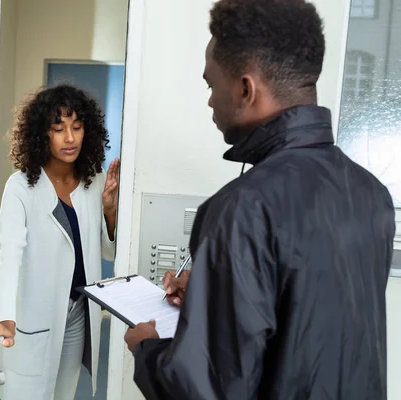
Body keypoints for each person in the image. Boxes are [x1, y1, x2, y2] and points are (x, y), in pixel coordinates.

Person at [124, 0, 396, 399]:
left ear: (246, 90)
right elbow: (310, 324)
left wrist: (147, 347)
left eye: (211, 85)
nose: (211, 101)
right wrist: (212, 299)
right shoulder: (372, 193)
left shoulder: (240, 210)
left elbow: (203, 391)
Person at [0, 84, 119, 399]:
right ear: (41, 134)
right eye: (58, 129)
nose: (70, 138)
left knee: (64, 392)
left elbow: (106, 249)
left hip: (77, 311)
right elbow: (9, 255)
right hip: (34, 316)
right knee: (27, 393)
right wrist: (4, 314)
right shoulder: (21, 187)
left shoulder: (93, 181)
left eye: (76, 127)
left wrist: (110, 211)